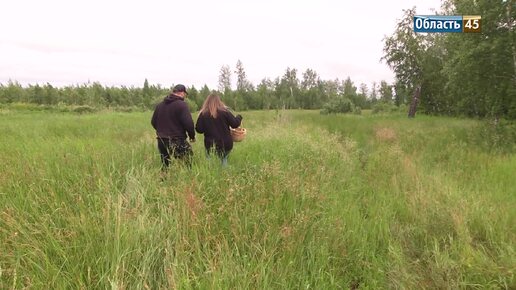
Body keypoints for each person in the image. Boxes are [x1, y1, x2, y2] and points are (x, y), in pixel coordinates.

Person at [151, 84, 195, 169]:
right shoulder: (182, 105)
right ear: (182, 93)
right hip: (177, 140)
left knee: (165, 166)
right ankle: (187, 180)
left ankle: (164, 181)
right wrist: (192, 136)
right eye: (185, 94)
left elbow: (153, 122)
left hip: (161, 141)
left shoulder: (160, 105)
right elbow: (189, 124)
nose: (185, 96)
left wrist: (162, 131)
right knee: (187, 163)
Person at [195, 93, 242, 166]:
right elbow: (235, 124)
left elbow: (199, 130)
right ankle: (225, 176)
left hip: (210, 145)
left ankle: (212, 176)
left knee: (210, 165)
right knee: (224, 159)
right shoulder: (225, 112)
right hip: (226, 144)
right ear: (219, 101)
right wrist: (239, 117)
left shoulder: (203, 114)